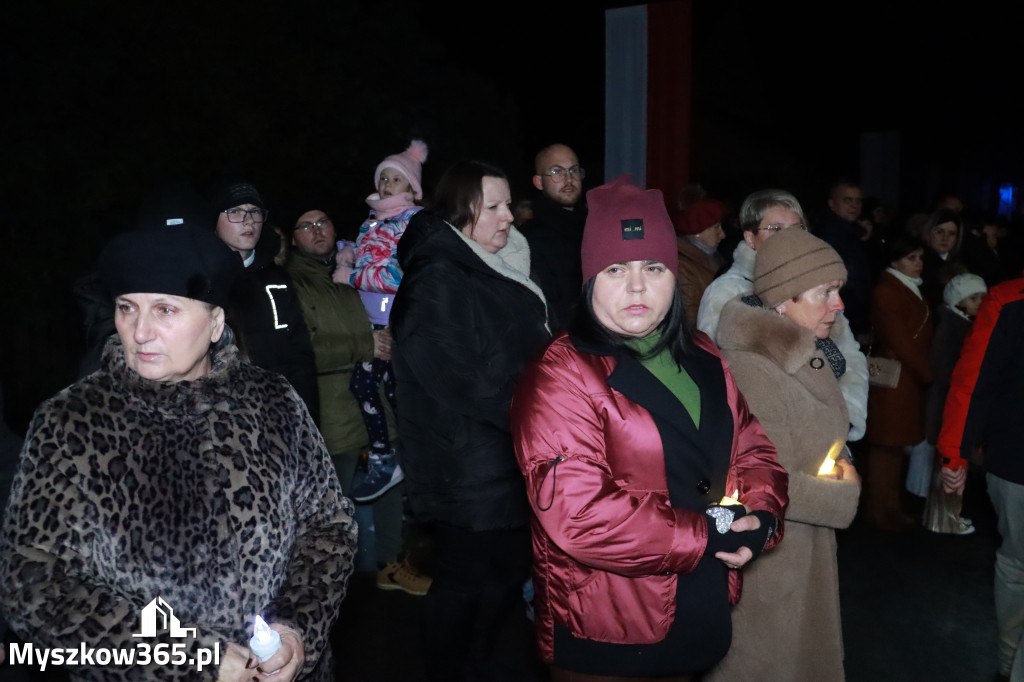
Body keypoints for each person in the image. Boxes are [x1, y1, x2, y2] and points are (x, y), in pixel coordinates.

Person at [0, 220, 356, 681]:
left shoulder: (274, 401)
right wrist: (190, 657)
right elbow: (34, 584)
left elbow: (328, 527)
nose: (140, 332)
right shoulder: (72, 422)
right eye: (127, 308)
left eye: (165, 310)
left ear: (215, 323)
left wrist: (296, 629)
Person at [509, 175, 789, 682]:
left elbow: (752, 448)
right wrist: (708, 532)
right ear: (591, 277)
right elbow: (579, 515)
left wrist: (763, 515)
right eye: (616, 268)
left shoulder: (703, 354)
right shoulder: (562, 373)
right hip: (611, 630)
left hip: (697, 611)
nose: (637, 286)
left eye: (653, 267)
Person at [390, 159, 552, 681]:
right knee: (465, 585)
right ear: (463, 210)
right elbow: (461, 377)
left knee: (504, 578)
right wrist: (544, 415)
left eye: (510, 204)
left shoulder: (497, 262)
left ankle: (474, 666)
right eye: (496, 206)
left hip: (508, 452)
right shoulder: (438, 275)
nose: (510, 216)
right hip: (466, 462)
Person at [707, 227, 862, 682]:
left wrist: (837, 458)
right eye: (825, 292)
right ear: (784, 300)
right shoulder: (755, 368)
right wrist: (842, 491)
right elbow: (756, 480)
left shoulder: (801, 352)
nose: (839, 305)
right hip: (772, 566)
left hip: (800, 554)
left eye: (839, 290)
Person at [285, 208, 430, 597]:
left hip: (378, 396)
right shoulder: (292, 283)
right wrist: (365, 345)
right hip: (332, 406)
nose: (317, 230)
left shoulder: (358, 267)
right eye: (306, 225)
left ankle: (390, 564)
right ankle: (324, 577)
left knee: (391, 483)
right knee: (334, 496)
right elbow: (303, 347)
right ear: (293, 236)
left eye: (323, 222)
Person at [697, 188, 869, 443]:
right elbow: (715, 373)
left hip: (823, 436)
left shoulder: (821, 287)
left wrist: (845, 416)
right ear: (750, 238)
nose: (788, 237)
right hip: (755, 442)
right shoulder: (728, 291)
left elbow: (851, 357)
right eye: (775, 228)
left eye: (796, 228)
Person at [938, 269, 1024, 682]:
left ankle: (1010, 664)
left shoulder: (1007, 301)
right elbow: (973, 384)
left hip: (1014, 463)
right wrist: (954, 454)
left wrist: (955, 456)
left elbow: (972, 383)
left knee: (1017, 565)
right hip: (1016, 463)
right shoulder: (1007, 302)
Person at [332, 140, 429, 502]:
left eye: (397, 180)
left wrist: (355, 274)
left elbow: (400, 272)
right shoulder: (371, 221)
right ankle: (403, 456)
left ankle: (387, 457)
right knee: (388, 391)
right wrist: (346, 253)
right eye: (384, 178)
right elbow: (366, 254)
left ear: (412, 190)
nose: (387, 185)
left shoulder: (413, 220)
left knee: (367, 384)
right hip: (372, 322)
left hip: (398, 321)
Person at [210, 179, 320, 420]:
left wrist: (307, 422)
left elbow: (299, 355)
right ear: (214, 221)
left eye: (255, 212)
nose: (248, 220)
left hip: (280, 415)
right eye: (235, 211)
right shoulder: (202, 280)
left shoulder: (277, 278)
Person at [863, 233, 934, 531]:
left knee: (893, 448)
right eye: (911, 258)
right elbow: (901, 341)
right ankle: (880, 512)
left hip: (904, 378)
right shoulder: (888, 290)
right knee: (885, 448)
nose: (918, 263)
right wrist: (928, 374)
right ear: (894, 260)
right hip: (895, 379)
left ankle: (890, 509)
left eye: (920, 257)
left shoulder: (904, 287)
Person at [921, 273, 988, 535]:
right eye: (973, 298)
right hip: (948, 406)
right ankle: (945, 519)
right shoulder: (953, 329)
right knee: (949, 467)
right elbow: (947, 370)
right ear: (958, 302)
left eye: (982, 297)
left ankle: (947, 516)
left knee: (951, 466)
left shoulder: (963, 325)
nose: (980, 302)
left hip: (952, 404)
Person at [518, 143, 588, 334]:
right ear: (539, 182)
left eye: (573, 170)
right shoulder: (528, 241)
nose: (568, 178)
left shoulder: (597, 229)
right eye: (557, 171)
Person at [814, 179, 874, 338]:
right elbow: (850, 281)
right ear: (832, 203)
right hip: (843, 316)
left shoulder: (853, 232)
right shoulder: (831, 234)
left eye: (858, 201)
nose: (854, 206)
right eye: (847, 200)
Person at [673, 196, 728, 327]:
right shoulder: (683, 267)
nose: (723, 234)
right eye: (716, 227)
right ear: (698, 231)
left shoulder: (713, 256)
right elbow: (692, 321)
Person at [919, 207, 969, 313]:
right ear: (929, 232)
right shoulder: (918, 262)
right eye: (939, 232)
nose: (945, 238)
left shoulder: (964, 263)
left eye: (952, 233)